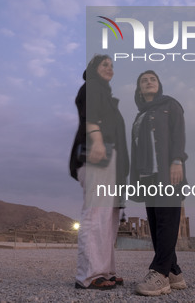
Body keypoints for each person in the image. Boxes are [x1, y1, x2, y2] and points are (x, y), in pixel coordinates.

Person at [69, 54, 129, 290]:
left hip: (112, 161)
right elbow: (89, 115)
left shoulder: (107, 95)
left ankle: (106, 271)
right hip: (97, 154)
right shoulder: (92, 87)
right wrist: (96, 139)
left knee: (109, 219)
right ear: (93, 68)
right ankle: (89, 275)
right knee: (96, 216)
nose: (110, 68)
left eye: (112, 65)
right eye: (105, 64)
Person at [130, 70, 189, 296]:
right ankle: (174, 273)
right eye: (143, 80)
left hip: (167, 172)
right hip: (148, 177)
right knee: (156, 225)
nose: (148, 82)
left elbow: (178, 134)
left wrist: (177, 160)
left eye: (152, 79)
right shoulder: (140, 115)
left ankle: (160, 274)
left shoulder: (170, 105)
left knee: (167, 221)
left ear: (159, 84)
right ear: (139, 88)